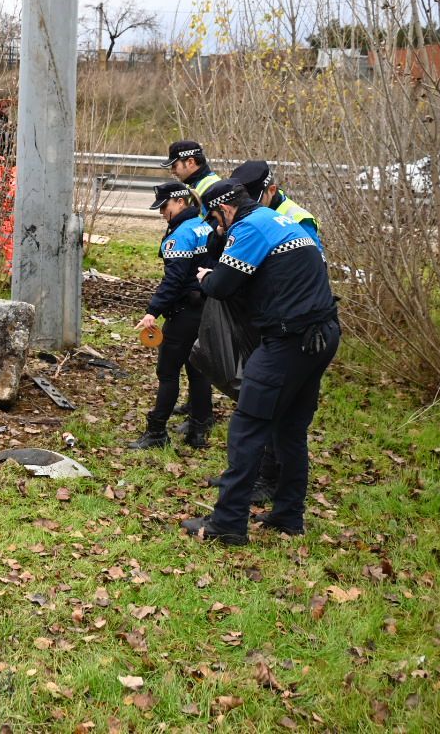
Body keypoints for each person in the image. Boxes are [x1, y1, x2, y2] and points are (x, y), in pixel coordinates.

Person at [180, 179, 340, 545]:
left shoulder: (248, 227)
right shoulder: (277, 219)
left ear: (225, 208)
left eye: (216, 219)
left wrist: (206, 276)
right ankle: (288, 515)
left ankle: (228, 524)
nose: (218, 227)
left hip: (290, 340)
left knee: (247, 428)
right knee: (290, 429)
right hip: (322, 335)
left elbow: (222, 285)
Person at [128, 182, 214, 449]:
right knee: (198, 369)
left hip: (185, 312)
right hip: (207, 310)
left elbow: (173, 280)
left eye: (164, 206)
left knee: (167, 372)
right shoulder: (204, 225)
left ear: (179, 202)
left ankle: (156, 433)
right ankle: (198, 431)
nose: (161, 212)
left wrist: (153, 311)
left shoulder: (182, 234)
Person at [230, 159, 323, 258]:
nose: (247, 207)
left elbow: (317, 262)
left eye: (253, 201)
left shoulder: (299, 219)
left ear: (272, 190)